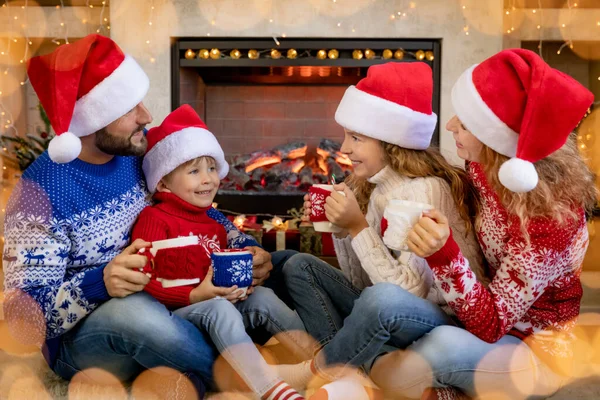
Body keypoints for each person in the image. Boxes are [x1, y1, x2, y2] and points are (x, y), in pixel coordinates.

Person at [2, 34, 294, 399]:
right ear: (93, 117)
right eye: (129, 108)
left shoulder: (135, 155)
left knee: (284, 263)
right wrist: (99, 284)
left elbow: (192, 209)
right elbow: (22, 322)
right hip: (87, 339)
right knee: (134, 313)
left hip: (173, 294)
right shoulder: (39, 196)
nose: (147, 116)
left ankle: (201, 372)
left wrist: (243, 244)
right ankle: (260, 378)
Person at [368, 49, 597, 400]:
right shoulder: (483, 165)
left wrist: (442, 253)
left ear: (498, 137)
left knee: (439, 346)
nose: (449, 126)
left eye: (466, 122)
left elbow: (490, 325)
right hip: (474, 317)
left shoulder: (551, 220)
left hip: (533, 352)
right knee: (388, 306)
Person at [279, 62, 487, 399]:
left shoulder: (425, 189)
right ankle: (353, 370)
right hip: (393, 309)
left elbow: (406, 294)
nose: (343, 148)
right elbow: (363, 285)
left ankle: (319, 370)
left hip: (442, 316)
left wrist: (358, 226)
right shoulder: (375, 190)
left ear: (392, 143)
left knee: (382, 299)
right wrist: (342, 230)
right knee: (298, 266)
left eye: (356, 138)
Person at [132, 104, 310, 400]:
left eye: (212, 168)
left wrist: (241, 284)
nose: (209, 179)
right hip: (177, 312)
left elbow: (217, 273)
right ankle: (266, 387)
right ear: (163, 181)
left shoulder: (214, 225)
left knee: (263, 297)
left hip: (217, 303)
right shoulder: (155, 219)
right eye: (194, 171)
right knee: (219, 308)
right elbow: (144, 283)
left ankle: (313, 359)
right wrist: (194, 296)